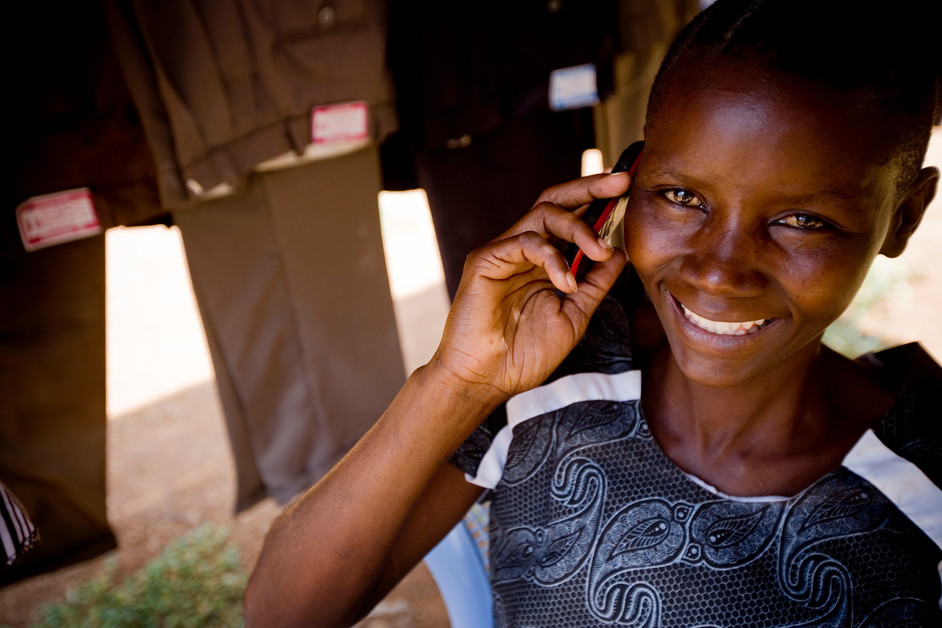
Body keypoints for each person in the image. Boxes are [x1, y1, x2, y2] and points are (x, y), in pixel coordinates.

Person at [243, 0, 942, 625]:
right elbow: (284, 612)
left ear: (903, 217)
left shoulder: (926, 476)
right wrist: (457, 381)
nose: (720, 272)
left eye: (799, 220)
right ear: (624, 183)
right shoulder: (545, 382)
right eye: (682, 197)